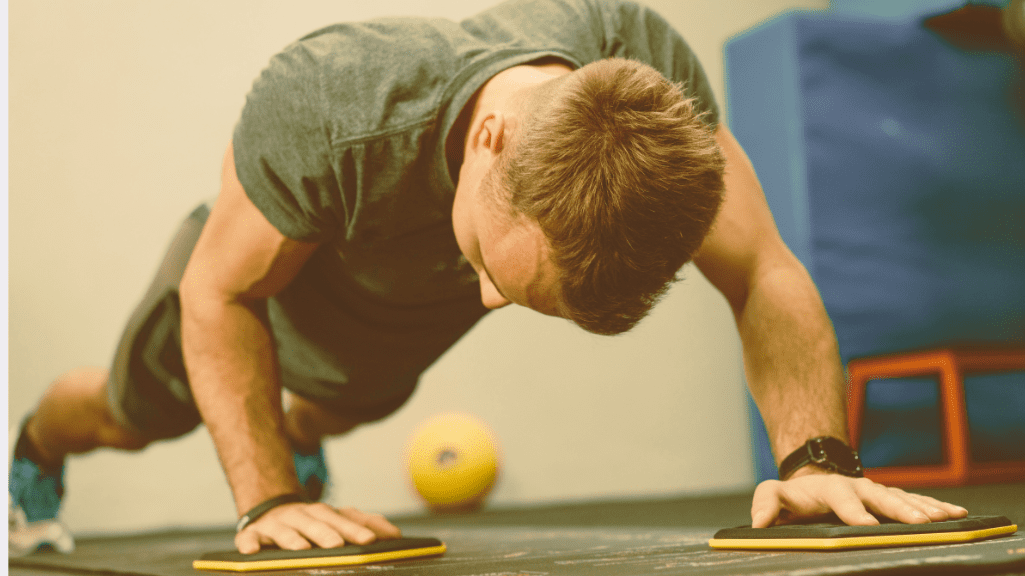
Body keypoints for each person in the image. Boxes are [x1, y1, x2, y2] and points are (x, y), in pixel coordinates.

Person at [9, 0, 968, 555]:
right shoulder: (333, 102)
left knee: (346, 404)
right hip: (262, 283)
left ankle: (307, 440)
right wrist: (268, 502)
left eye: (522, 297)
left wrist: (814, 461)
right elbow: (218, 293)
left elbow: (760, 266)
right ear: (491, 139)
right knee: (134, 414)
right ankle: (34, 454)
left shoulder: (644, 90)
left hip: (380, 332)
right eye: (504, 273)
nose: (489, 302)